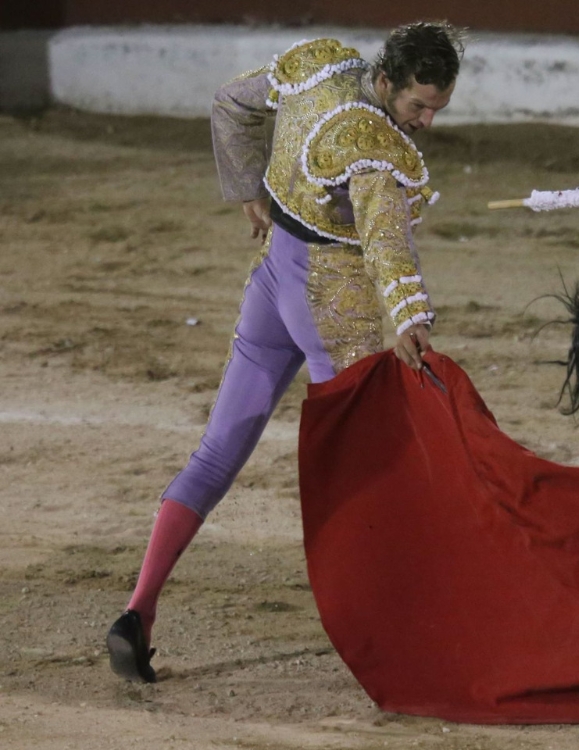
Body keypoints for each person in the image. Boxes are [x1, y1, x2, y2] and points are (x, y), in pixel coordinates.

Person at [105, 21, 465, 683]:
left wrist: (249, 190)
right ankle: (390, 632)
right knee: (366, 466)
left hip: (273, 280)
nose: (426, 122)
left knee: (218, 450)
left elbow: (232, 104)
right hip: (336, 303)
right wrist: (410, 316)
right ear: (386, 82)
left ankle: (139, 608)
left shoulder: (317, 67)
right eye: (418, 105)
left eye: (437, 109)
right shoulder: (377, 146)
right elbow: (387, 243)